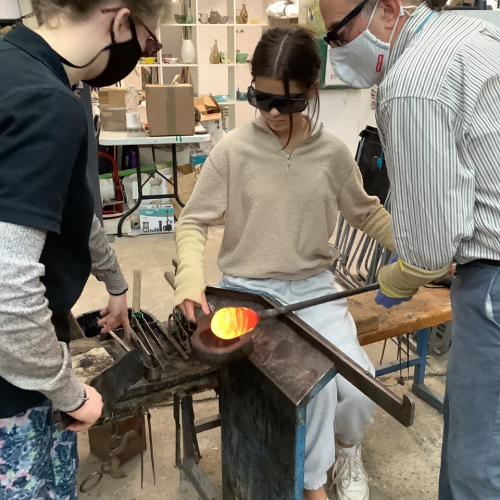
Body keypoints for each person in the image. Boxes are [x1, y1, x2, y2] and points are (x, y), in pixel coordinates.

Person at [174, 26, 395, 500]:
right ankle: (312, 485)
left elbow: (366, 212)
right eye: (262, 99)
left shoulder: (333, 153)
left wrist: (422, 254)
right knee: (307, 391)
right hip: (247, 291)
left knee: (358, 389)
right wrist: (190, 279)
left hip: (314, 288)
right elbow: (193, 222)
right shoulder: (232, 151)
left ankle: (347, 447)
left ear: (312, 91)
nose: (273, 113)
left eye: (288, 103)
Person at [319, 0, 500, 497]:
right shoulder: (470, 34)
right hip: (485, 268)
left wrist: (399, 277)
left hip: (493, 281)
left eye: (339, 33)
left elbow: (431, 242)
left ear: (389, 8)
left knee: (476, 465)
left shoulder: (410, 82)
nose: (335, 50)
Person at [0, 1, 164, 498]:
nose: (143, 52)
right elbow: (7, 290)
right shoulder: (44, 102)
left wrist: (115, 282)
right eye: (148, 41)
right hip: (13, 384)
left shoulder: (16, 65)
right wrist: (71, 394)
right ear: (119, 19)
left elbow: (70, 208)